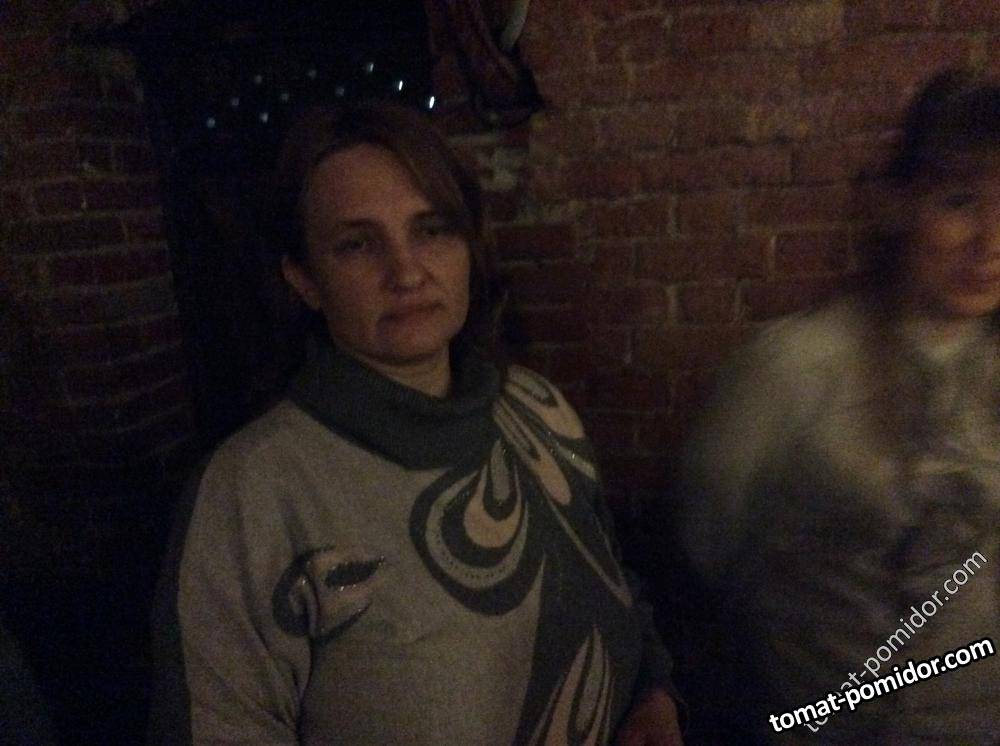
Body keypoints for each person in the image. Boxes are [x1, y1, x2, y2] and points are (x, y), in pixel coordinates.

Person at [150, 101, 683, 745]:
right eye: (357, 244)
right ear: (305, 279)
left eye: (431, 230)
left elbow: (611, 576)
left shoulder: (536, 407)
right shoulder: (251, 494)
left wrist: (649, 690)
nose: (406, 273)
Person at [679, 69, 1000, 743]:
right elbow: (708, 550)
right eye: (960, 201)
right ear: (899, 204)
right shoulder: (791, 370)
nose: (990, 242)